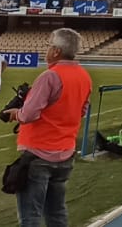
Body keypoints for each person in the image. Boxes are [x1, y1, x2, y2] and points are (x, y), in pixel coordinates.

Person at [11, 28, 91, 227]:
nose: (46, 50)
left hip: (38, 152)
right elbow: (82, 110)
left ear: (56, 51)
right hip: (65, 152)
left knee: (31, 216)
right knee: (57, 212)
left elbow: (29, 114)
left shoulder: (50, 76)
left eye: (48, 46)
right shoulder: (84, 76)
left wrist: (16, 114)